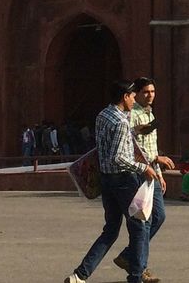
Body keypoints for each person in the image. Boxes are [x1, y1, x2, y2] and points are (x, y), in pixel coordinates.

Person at [64, 80, 158, 283]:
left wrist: (135, 132)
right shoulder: (121, 122)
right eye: (133, 96)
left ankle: (79, 275)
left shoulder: (103, 115)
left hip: (106, 179)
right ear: (125, 97)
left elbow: (108, 144)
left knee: (111, 229)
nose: (135, 100)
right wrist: (144, 167)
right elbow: (119, 157)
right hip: (123, 180)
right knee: (141, 225)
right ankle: (136, 277)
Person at [114, 77, 175, 282]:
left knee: (156, 217)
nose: (150, 95)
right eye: (146, 91)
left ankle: (131, 257)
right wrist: (157, 160)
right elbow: (132, 147)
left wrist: (158, 171)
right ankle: (139, 269)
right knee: (145, 221)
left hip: (152, 172)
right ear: (137, 93)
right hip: (139, 173)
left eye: (153, 91)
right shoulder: (132, 114)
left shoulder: (149, 113)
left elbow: (150, 145)